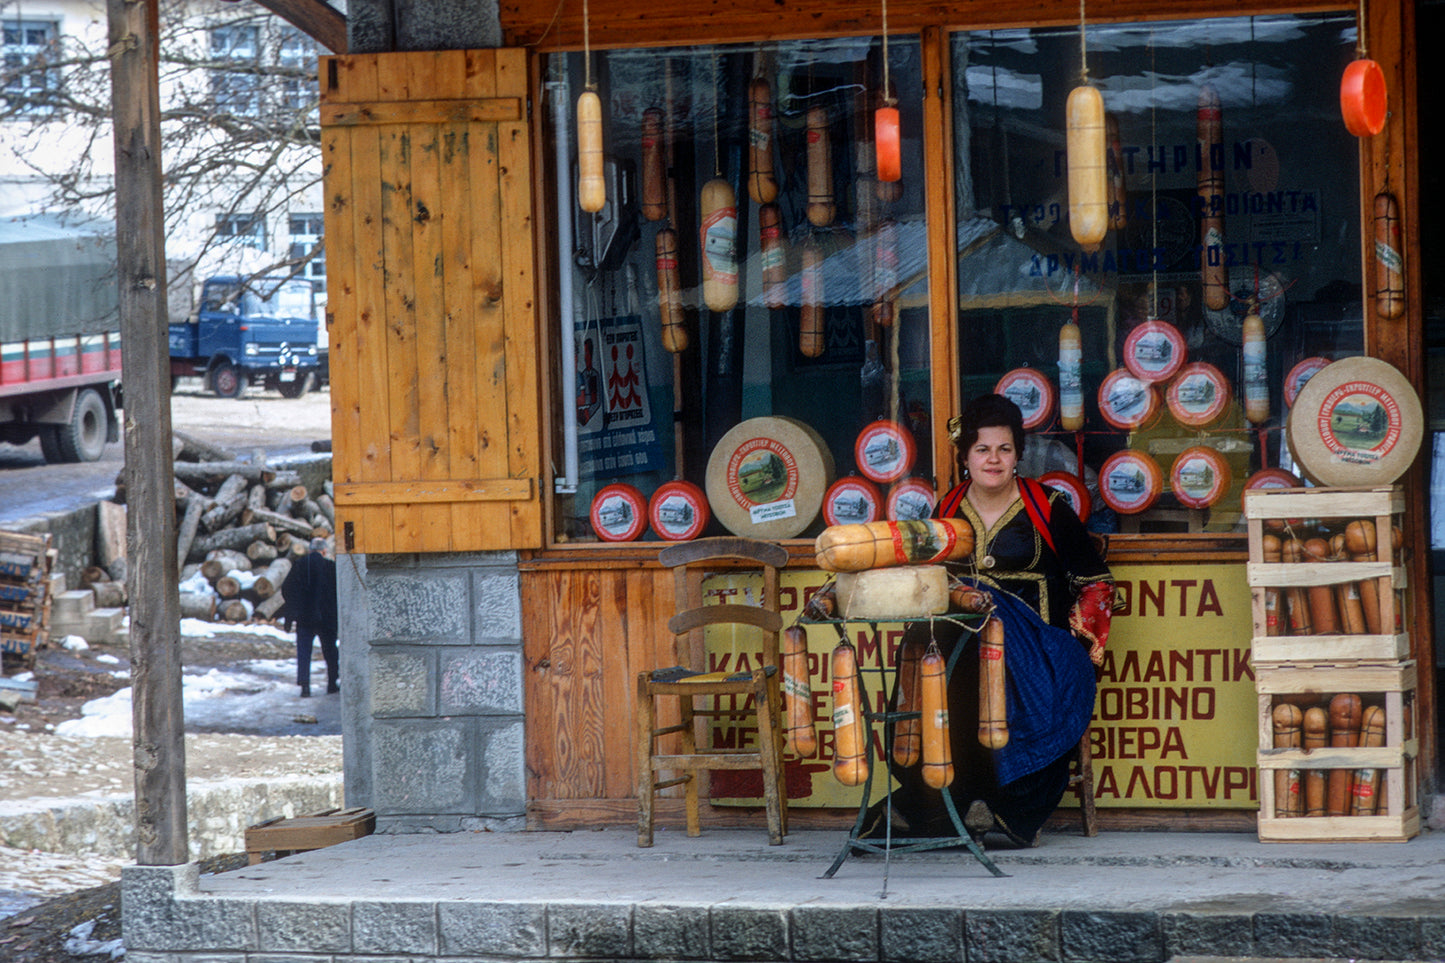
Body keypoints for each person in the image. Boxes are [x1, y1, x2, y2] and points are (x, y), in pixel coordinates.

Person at [869, 393, 1115, 847]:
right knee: (931, 655)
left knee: (1005, 672)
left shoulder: (1048, 507)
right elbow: (931, 581)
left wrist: (1079, 652)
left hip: (1036, 648)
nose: (994, 459)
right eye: (982, 449)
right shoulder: (948, 508)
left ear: (1018, 453)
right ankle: (942, 798)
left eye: (1004, 449)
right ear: (965, 457)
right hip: (962, 645)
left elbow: (1096, 585)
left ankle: (1006, 804)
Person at [282, 537, 339, 698]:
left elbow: (287, 589)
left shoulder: (299, 565)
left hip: (304, 617)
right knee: (330, 651)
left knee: (304, 652)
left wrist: (292, 613)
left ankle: (305, 687)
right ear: (324, 551)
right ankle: (332, 684)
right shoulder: (330, 567)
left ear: (309, 550)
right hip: (327, 618)